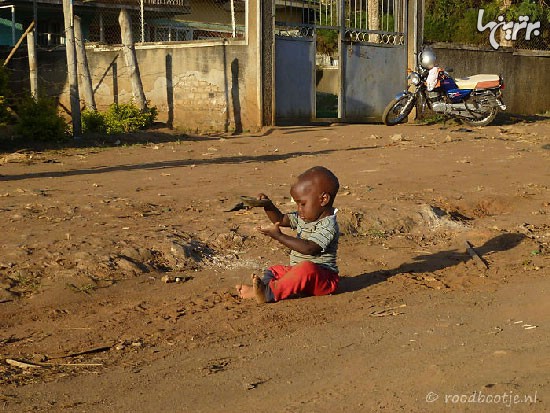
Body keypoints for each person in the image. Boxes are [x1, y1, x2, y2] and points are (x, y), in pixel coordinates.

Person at [237, 166, 340, 303]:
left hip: (323, 280)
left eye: (302, 204)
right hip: (299, 272)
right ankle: (264, 289)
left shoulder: (328, 225)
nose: (299, 209)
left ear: (323, 199)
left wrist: (279, 236)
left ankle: (268, 292)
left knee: (306, 268)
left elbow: (310, 248)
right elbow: (280, 219)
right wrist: (268, 206)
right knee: (275, 270)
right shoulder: (305, 216)